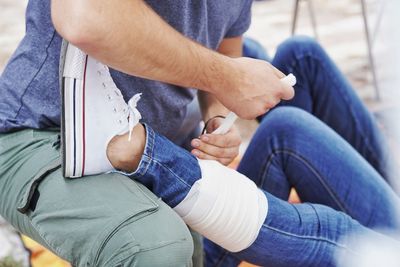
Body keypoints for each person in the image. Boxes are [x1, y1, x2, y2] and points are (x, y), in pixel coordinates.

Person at [0, 1, 398, 267]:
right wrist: (224, 97)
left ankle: (153, 158)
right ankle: (155, 159)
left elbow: (226, 54)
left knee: (288, 118)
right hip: (43, 125)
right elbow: (84, 15)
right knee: (290, 106)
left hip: (133, 141)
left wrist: (218, 114)